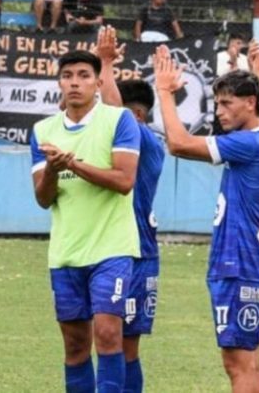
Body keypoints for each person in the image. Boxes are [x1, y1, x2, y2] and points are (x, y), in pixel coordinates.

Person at [154, 44, 259, 393]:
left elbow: (178, 144)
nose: (219, 111)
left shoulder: (250, 143)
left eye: (227, 103)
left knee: (237, 364)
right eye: (217, 103)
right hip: (248, 262)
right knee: (249, 362)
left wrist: (164, 91)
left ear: (250, 103)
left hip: (237, 262)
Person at [30, 50, 141, 392]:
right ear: (59, 82)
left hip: (112, 248)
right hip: (66, 253)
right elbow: (43, 198)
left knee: (108, 333)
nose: (74, 82)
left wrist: (73, 165)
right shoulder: (43, 129)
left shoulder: (119, 120)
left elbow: (124, 181)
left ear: (98, 82)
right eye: (67, 76)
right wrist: (52, 168)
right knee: (76, 344)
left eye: (83, 75)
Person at [93, 26, 166, 393]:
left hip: (139, 254)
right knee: (107, 340)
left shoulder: (147, 142)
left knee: (125, 346)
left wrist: (104, 62)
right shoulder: (126, 140)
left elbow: (111, 108)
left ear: (136, 115)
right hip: (113, 248)